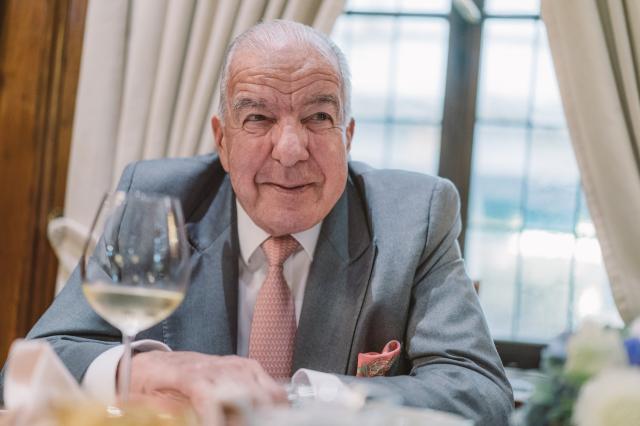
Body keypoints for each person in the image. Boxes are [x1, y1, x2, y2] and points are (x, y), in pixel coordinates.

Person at [0, 20, 513, 425]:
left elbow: (481, 394)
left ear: (348, 136)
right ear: (222, 141)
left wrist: (302, 399)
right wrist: (156, 369)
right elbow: (34, 363)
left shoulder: (414, 216)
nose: (290, 150)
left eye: (318, 117)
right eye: (258, 118)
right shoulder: (158, 199)